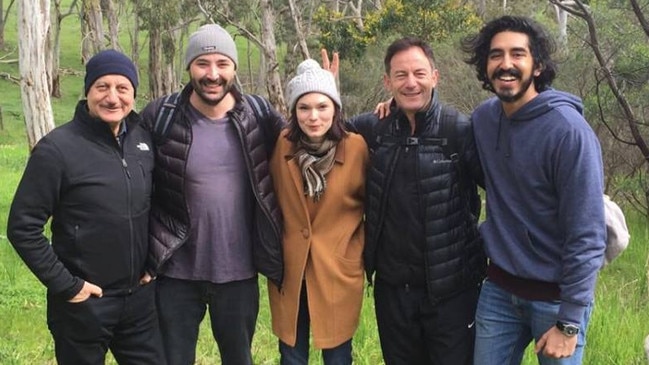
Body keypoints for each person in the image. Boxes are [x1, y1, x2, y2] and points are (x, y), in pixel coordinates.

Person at [460, 15, 607, 364]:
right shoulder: (484, 120)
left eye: (517, 54)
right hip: (498, 289)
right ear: (485, 64)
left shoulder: (569, 132)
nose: (505, 64)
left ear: (537, 65)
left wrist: (570, 322)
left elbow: (587, 233)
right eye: (496, 55)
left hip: (556, 299)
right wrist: (396, 112)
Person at [6, 49, 165, 364]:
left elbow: (154, 206)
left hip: (138, 303)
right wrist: (68, 286)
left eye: (122, 88)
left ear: (134, 94)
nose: (112, 97)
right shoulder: (57, 149)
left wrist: (153, 262)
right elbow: (23, 227)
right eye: (102, 87)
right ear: (88, 92)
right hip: (83, 304)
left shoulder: (142, 143)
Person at [140, 24, 285, 365]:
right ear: (189, 67)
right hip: (175, 271)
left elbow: (311, 140)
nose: (213, 74)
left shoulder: (259, 115)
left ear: (234, 68)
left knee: (238, 358)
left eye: (222, 64)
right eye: (203, 63)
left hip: (239, 272)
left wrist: (358, 108)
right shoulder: (160, 116)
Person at [346, 37, 486, 365]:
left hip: (452, 292)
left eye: (419, 74)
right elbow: (320, 134)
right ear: (387, 82)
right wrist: (324, 90)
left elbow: (505, 190)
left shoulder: (460, 130)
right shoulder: (372, 129)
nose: (411, 83)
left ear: (435, 76)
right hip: (393, 291)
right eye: (401, 75)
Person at [268, 59, 369, 364]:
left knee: (338, 356)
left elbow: (372, 204)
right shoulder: (282, 145)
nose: (313, 117)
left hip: (337, 268)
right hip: (291, 269)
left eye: (322, 107)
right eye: (304, 108)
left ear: (335, 109)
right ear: (293, 112)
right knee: (291, 356)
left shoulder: (355, 148)